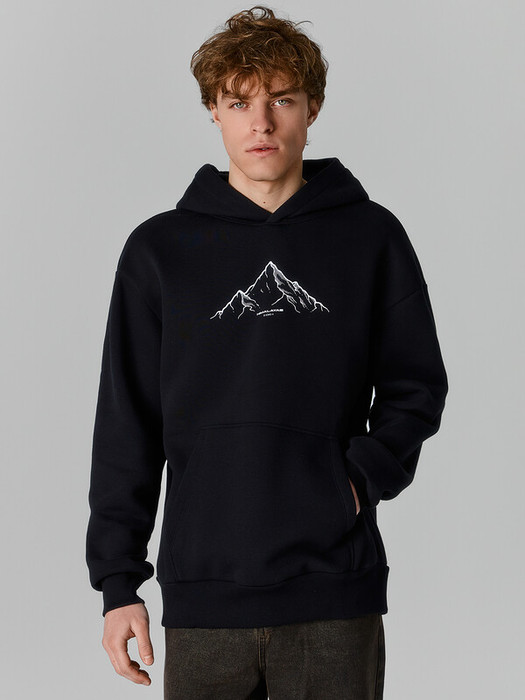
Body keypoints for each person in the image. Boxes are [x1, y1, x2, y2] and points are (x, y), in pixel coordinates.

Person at [85, 5, 448, 698]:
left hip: (333, 591)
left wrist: (354, 481)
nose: (261, 123)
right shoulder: (160, 251)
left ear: (311, 108)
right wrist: (118, 582)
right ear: (213, 112)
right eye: (239, 102)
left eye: (281, 99)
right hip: (203, 593)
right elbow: (126, 422)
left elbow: (416, 387)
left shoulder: (370, 237)